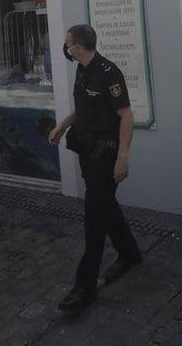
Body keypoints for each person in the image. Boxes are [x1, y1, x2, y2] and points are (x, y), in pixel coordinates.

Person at [48, 25, 142, 312]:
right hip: (87, 150)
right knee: (104, 204)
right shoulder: (82, 70)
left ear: (77, 46)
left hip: (107, 152)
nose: (65, 48)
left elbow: (126, 115)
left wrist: (122, 157)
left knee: (94, 216)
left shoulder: (108, 72)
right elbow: (84, 109)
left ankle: (84, 286)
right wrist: (62, 126)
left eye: (67, 44)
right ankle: (129, 253)